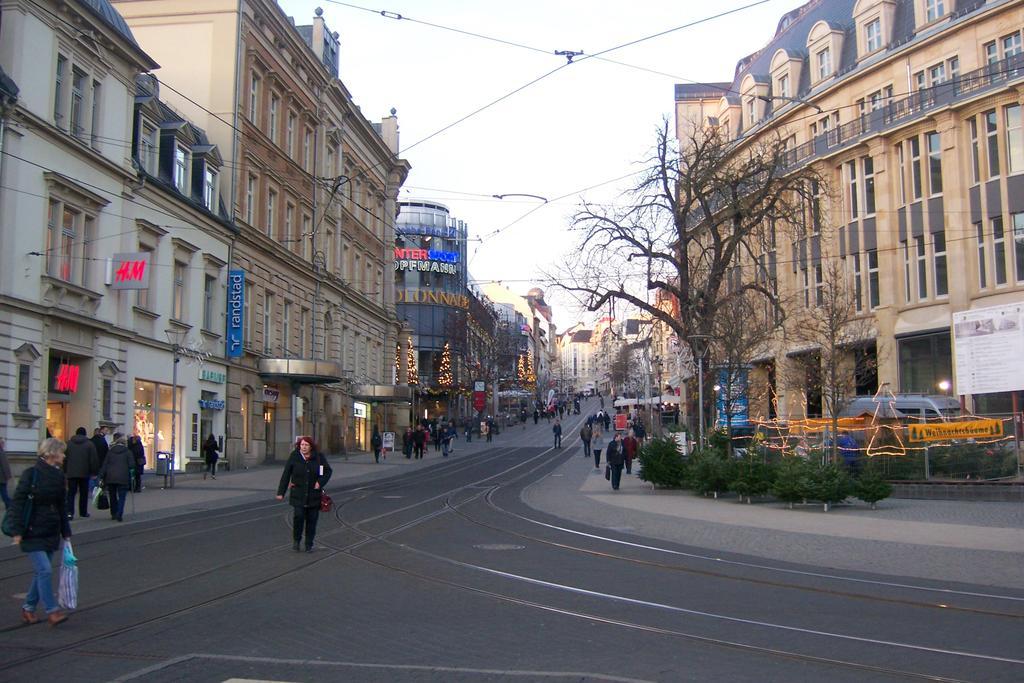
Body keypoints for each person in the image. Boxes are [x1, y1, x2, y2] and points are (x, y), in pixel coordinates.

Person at [10, 438, 72, 626]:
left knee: (40, 572)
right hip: (31, 530)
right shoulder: (32, 474)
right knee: (44, 570)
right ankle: (52, 611)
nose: (64, 455)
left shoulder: (60, 476)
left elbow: (62, 506)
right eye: (62, 452)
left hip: (50, 529)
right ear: (52, 453)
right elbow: (18, 502)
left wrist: (65, 531)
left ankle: (28, 608)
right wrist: (17, 530)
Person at [276, 436, 332, 552]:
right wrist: (281, 492)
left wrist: (320, 482)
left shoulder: (318, 457)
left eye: (306, 445)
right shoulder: (294, 457)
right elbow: (286, 474)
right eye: (302, 445)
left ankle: (308, 544)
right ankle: (296, 540)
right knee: (299, 517)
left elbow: (327, 471)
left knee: (312, 520)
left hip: (314, 495)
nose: (304, 447)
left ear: (311, 447)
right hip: (298, 494)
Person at [64, 427, 98, 520]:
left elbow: (64, 458)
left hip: (71, 472)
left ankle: (69, 512)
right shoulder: (89, 444)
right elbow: (93, 460)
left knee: (71, 493)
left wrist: (65, 471)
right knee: (83, 493)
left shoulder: (68, 444)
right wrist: (94, 472)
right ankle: (83, 512)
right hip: (84, 472)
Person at [99, 434, 134, 522]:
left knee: (112, 496)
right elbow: (132, 465)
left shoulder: (110, 452)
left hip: (110, 478)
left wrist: (101, 476)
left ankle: (113, 513)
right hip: (123, 478)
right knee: (122, 496)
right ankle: (119, 513)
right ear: (124, 443)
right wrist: (133, 475)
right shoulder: (128, 452)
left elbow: (105, 465)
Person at [0, 437, 11, 509]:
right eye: (2, 443)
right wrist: (8, 476)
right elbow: (5, 465)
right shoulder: (1, 453)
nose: (3, 444)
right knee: (4, 494)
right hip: (1, 478)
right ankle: (10, 506)